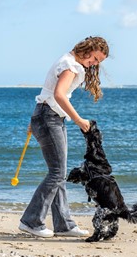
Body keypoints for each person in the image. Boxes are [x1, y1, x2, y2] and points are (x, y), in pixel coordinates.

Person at [19, 36, 109, 238]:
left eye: (98, 62)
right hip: (49, 118)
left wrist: (34, 120)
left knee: (58, 172)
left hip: (47, 116)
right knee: (57, 173)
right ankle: (31, 221)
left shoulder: (69, 62)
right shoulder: (70, 65)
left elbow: (48, 93)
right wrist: (78, 120)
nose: (94, 64)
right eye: (94, 59)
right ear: (88, 49)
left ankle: (64, 224)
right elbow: (59, 94)